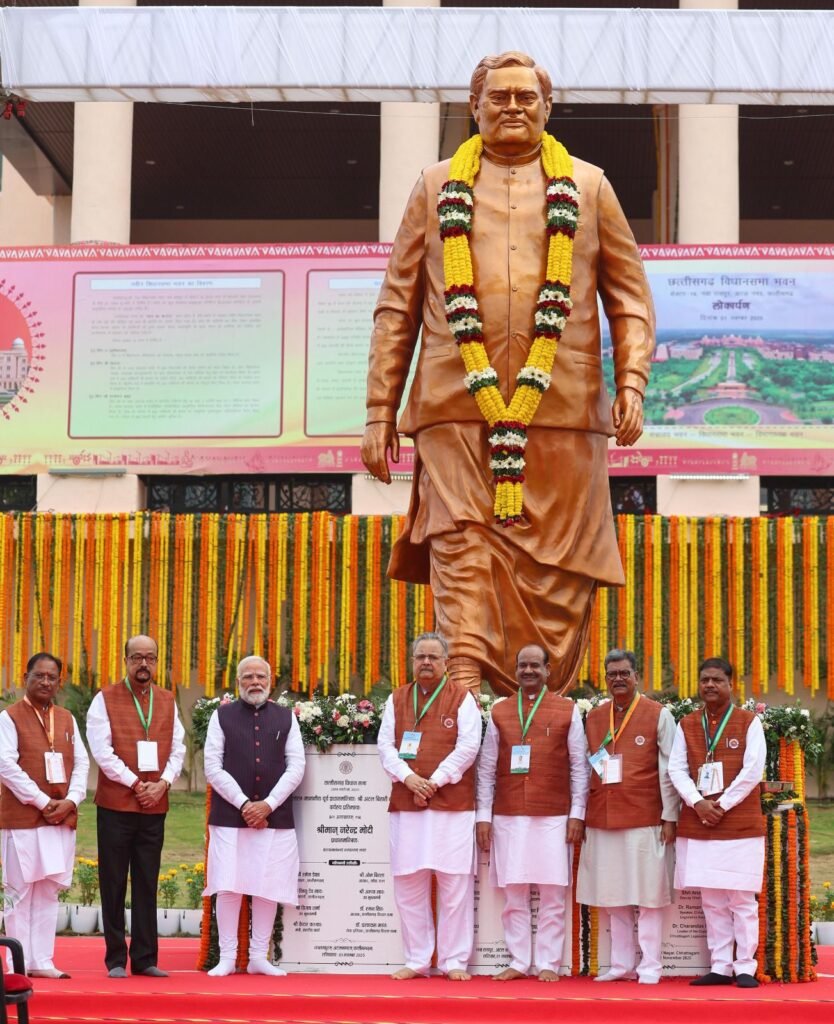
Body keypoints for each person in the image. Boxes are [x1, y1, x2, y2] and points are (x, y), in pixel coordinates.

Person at [362, 51, 654, 695]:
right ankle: (464, 681)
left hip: (565, 409)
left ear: (548, 108)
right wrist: (380, 410)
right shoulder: (435, 186)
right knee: (459, 539)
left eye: (526, 98)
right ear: (475, 108)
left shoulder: (590, 187)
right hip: (453, 403)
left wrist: (632, 381)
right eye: (500, 97)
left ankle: (539, 703)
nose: (513, 107)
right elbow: (397, 307)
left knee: (559, 573)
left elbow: (630, 300)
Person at [476, 644, 589, 981]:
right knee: (514, 892)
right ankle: (519, 961)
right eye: (522, 665)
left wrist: (577, 813)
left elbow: (579, 767)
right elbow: (486, 767)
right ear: (515, 670)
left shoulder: (567, 710)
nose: (528, 671)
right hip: (508, 815)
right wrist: (483, 816)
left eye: (535, 665)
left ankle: (549, 963)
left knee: (553, 893)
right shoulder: (500, 711)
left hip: (553, 815)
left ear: (547, 670)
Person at [377, 632, 481, 980]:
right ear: (412, 661)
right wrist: (410, 779)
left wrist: (434, 781)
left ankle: (454, 962)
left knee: (454, 884)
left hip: (452, 805)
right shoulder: (397, 698)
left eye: (433, 657)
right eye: (420, 656)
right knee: (409, 882)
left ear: (445, 662)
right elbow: (385, 746)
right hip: (407, 804)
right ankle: (417, 959)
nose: (426, 662)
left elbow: (468, 746)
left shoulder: (462, 697)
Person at [576, 649, 678, 985]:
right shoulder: (595, 717)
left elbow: (670, 769)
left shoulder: (658, 714)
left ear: (637, 677)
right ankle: (620, 965)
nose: (618, 679)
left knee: (648, 897)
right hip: (602, 818)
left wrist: (670, 816)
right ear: (605, 679)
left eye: (624, 673)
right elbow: (586, 768)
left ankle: (650, 965)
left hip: (645, 818)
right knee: (613, 895)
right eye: (612, 674)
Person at [87, 635, 186, 978]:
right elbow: (102, 751)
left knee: (147, 881)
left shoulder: (168, 699)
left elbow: (178, 748)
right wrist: (135, 784)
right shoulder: (104, 698)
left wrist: (163, 783)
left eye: (150, 657)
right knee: (113, 881)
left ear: (157, 661)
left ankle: (145, 958)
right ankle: (116, 958)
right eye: (137, 657)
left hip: (154, 806)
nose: (144, 664)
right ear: (125, 660)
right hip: (116, 806)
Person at [203, 655, 305, 977]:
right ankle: (228, 957)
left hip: (275, 817)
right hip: (230, 816)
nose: (255, 682)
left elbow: (296, 766)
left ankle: (259, 957)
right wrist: (245, 804)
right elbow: (212, 766)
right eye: (248, 676)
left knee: (267, 886)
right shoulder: (221, 716)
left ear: (270, 682)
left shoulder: (287, 718)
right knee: (228, 885)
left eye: (261, 676)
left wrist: (268, 805)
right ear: (238, 682)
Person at [668, 657, 766, 989]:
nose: (710, 685)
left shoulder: (749, 722)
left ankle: (746, 967)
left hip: (739, 824)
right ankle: (720, 966)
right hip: (700, 821)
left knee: (741, 900)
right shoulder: (687, 724)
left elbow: (753, 771)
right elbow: (676, 769)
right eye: (704, 680)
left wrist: (720, 805)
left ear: (730, 684)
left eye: (717, 680)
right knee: (710, 900)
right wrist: (697, 802)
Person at [0, 652, 89, 979]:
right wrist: (42, 802)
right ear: (26, 677)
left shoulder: (66, 718)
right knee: (19, 891)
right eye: (39, 675)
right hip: (23, 818)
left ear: (59, 682)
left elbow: (82, 763)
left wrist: (72, 800)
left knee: (48, 889)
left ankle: (42, 960)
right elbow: (6, 765)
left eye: (52, 677)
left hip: (60, 817)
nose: (46, 682)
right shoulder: (8, 718)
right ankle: (18, 964)